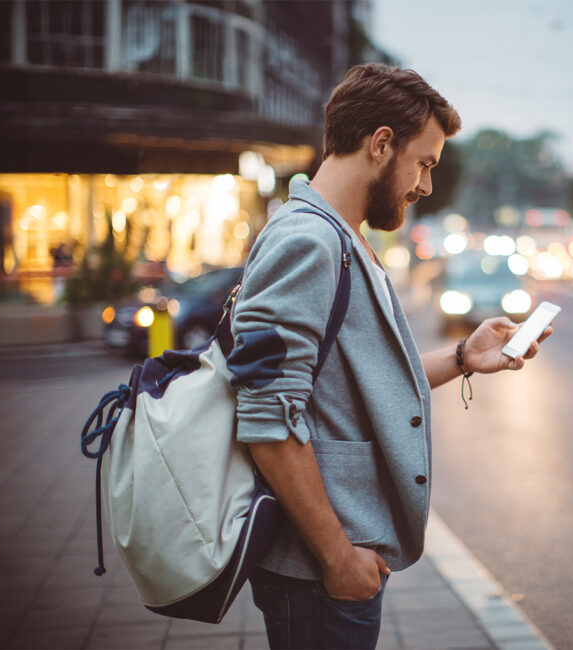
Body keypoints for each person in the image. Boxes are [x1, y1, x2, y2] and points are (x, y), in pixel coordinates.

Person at [229, 63, 552, 650]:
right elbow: (267, 419)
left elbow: (362, 386)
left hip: (333, 566)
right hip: (320, 573)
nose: (426, 184)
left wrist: (462, 355)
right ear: (381, 144)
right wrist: (338, 559)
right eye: (424, 162)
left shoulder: (343, 237)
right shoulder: (308, 241)